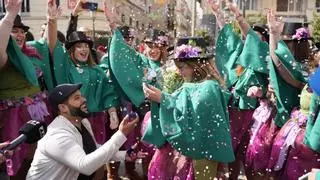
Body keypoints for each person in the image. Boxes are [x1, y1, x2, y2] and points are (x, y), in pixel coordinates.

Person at [142, 37, 234, 179]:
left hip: (203, 151)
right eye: (178, 68)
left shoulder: (209, 87)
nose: (179, 72)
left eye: (182, 67)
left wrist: (163, 99)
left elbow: (193, 114)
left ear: (196, 65)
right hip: (193, 150)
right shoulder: (192, 84)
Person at [26, 83, 140, 180]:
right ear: (63, 108)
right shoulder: (57, 135)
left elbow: (92, 150)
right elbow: (85, 166)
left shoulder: (83, 122)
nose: (84, 100)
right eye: (77, 98)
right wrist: (121, 135)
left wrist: (124, 155)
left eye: (81, 96)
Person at [0, 0, 53, 178]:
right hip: (13, 118)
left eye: (22, 31)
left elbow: (50, 47)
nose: (20, 35)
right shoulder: (5, 58)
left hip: (38, 112)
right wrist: (9, 17)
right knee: (17, 162)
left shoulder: (31, 53)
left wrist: (51, 20)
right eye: (15, 31)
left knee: (40, 159)